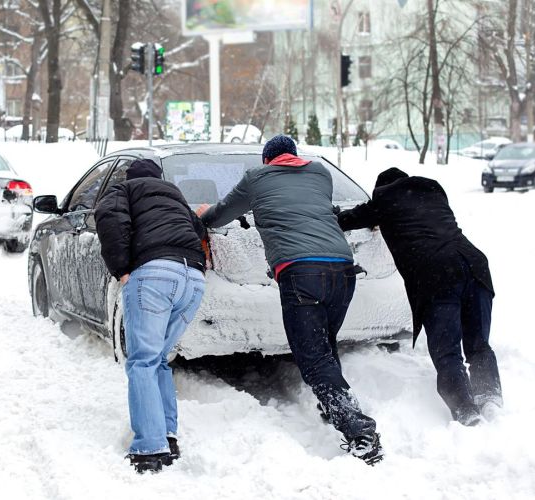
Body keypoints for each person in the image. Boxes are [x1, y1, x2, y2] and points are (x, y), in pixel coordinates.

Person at [197, 135, 383, 465]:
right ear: (294, 156)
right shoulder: (321, 173)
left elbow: (222, 213)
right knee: (324, 345)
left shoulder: (256, 178)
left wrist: (201, 218)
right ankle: (334, 407)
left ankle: (359, 431)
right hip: (343, 270)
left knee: (312, 357)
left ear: (268, 160)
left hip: (302, 273)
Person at [338, 168, 501, 426]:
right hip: (475, 264)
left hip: (437, 274)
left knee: (447, 352)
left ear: (381, 189)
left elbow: (345, 220)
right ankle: (489, 398)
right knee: (479, 344)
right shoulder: (433, 191)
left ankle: (466, 413)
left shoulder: (384, 201)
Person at [94, 159, 207, 474]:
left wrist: (121, 268)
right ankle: (167, 435)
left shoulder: (124, 189)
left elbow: (108, 217)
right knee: (157, 359)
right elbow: (198, 229)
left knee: (142, 360)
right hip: (193, 280)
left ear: (131, 177)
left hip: (154, 274)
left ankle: (148, 448)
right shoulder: (174, 195)